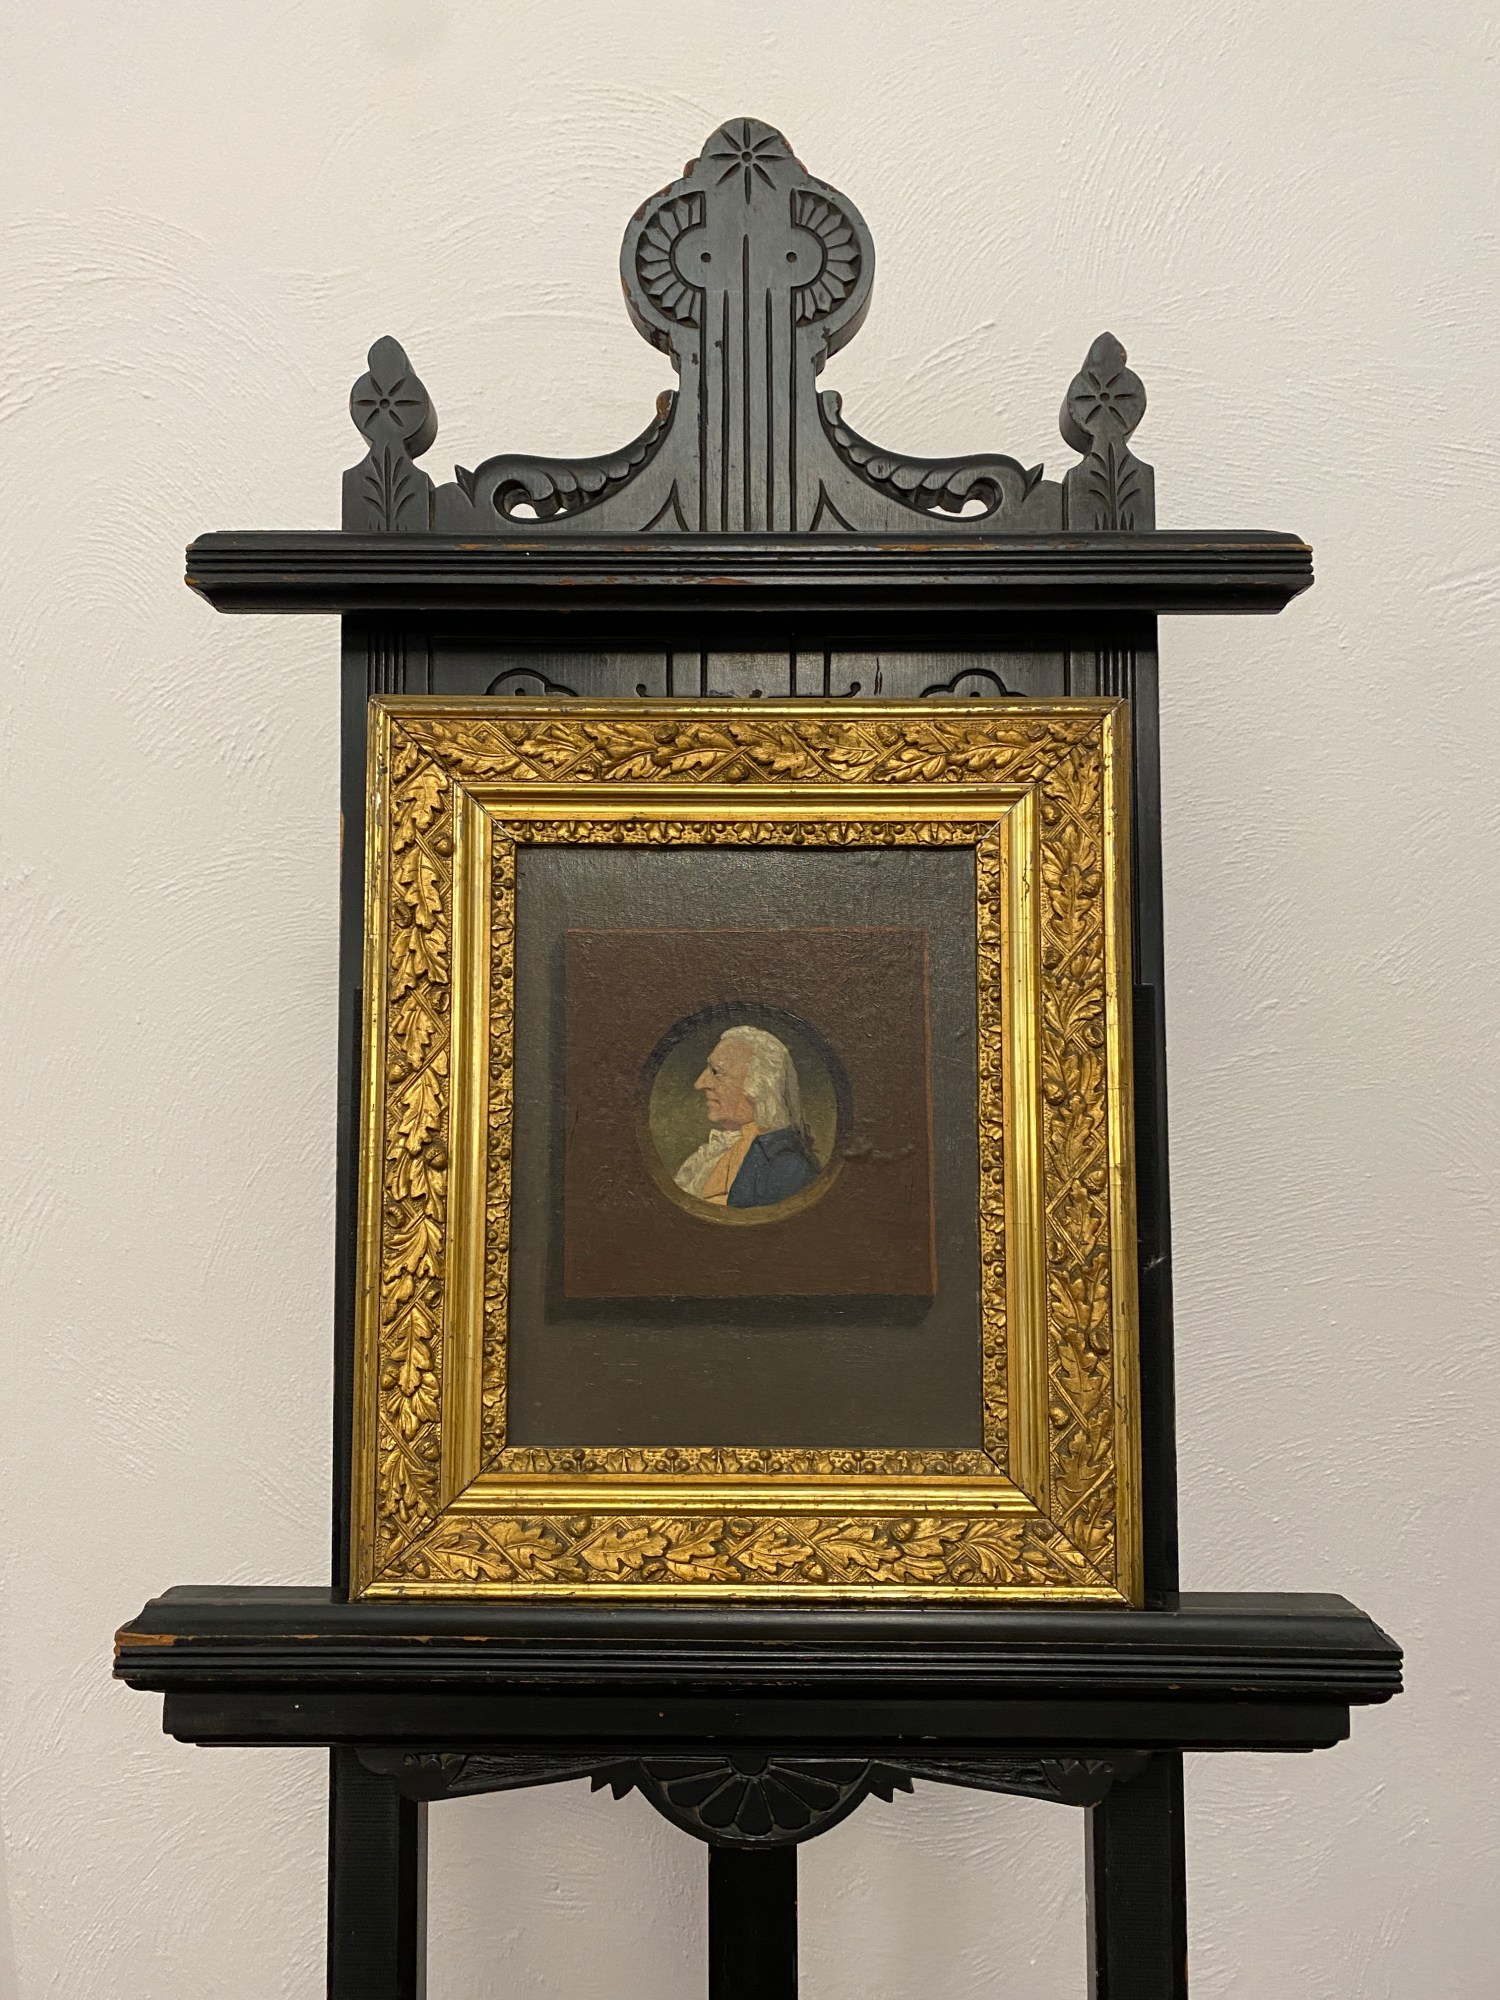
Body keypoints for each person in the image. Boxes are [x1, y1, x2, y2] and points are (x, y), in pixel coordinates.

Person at [674, 1025, 820, 1209]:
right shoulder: (714, 1152)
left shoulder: (788, 1168)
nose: (699, 1083)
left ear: (759, 1086)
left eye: (716, 1072)